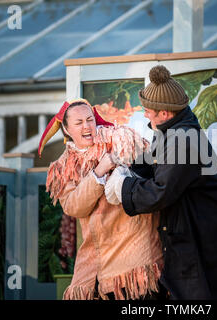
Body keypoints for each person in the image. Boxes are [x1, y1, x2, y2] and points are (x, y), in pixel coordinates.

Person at [104, 65, 217, 300]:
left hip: (203, 240)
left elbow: (161, 191)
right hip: (193, 233)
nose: (145, 115)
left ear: (165, 113)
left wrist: (123, 186)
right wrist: (122, 167)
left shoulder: (182, 140)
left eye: (148, 110)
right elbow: (151, 165)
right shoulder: (172, 131)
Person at [38, 98, 164, 300]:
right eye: (78, 123)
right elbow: (73, 206)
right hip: (97, 260)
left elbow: (148, 171)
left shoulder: (119, 140)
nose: (87, 126)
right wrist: (99, 171)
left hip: (136, 257)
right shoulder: (64, 166)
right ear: (67, 129)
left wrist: (121, 160)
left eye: (89, 120)